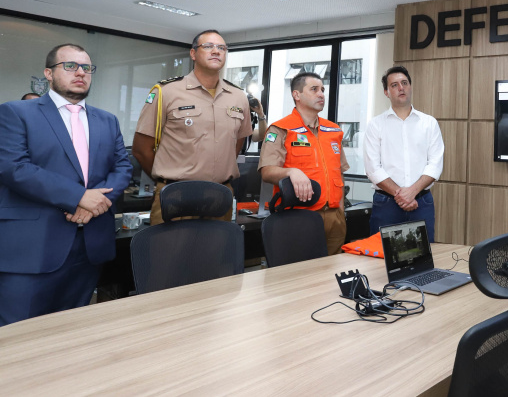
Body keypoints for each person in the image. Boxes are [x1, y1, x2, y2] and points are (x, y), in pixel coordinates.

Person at [0, 44, 132, 326]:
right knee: (17, 336)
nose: (80, 73)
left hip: (89, 246)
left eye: (86, 67)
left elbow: (122, 167)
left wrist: (95, 205)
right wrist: (78, 197)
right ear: (49, 73)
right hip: (31, 248)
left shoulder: (107, 120)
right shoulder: (16, 112)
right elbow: (14, 168)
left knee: (71, 332)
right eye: (70, 66)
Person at [132, 30, 252, 225]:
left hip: (220, 194)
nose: (216, 51)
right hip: (177, 194)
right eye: (208, 46)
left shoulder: (238, 97)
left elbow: (235, 144)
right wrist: (169, 180)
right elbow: (141, 149)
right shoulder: (166, 92)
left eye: (221, 48)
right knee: (170, 253)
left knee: (216, 253)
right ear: (193, 54)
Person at [258, 72, 349, 255]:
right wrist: (290, 172)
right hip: (300, 217)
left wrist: (340, 209)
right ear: (296, 95)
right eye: (314, 89)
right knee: (300, 276)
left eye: (322, 90)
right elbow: (266, 171)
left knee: (331, 275)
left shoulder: (334, 130)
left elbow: (339, 171)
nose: (321, 94)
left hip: (334, 217)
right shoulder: (281, 129)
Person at [363, 66, 444, 241]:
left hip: (421, 202)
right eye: (394, 85)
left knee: (423, 258)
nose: (401, 87)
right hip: (386, 205)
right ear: (386, 92)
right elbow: (372, 168)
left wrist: (412, 192)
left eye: (404, 83)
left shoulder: (429, 123)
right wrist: (402, 195)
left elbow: (435, 164)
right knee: (380, 260)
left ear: (410, 87)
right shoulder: (375, 125)